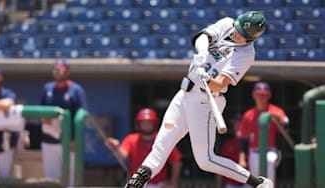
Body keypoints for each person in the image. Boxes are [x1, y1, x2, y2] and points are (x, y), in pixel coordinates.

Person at [124, 10, 273, 188]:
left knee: (206, 160)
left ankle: (258, 183)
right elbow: (202, 36)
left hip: (205, 102)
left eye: (242, 34)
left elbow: (220, 83)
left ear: (251, 38)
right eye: (237, 29)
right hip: (184, 94)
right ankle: (136, 183)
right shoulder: (227, 24)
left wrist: (207, 79)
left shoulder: (246, 54)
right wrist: (202, 53)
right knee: (160, 147)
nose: (236, 34)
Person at [106, 108, 182, 188]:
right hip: (137, 183)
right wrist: (116, 147)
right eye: (144, 123)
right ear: (139, 124)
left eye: (149, 122)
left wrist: (173, 182)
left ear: (154, 123)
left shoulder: (163, 139)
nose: (146, 125)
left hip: (160, 184)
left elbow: (176, 161)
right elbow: (122, 155)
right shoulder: (131, 139)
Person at [40, 59, 88, 184]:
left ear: (67, 72)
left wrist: (75, 139)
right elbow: (41, 111)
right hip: (49, 138)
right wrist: (44, 118)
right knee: (51, 177)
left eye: (61, 70)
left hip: (69, 140)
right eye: (55, 70)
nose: (58, 73)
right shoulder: (47, 88)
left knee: (71, 176)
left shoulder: (76, 90)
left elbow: (82, 114)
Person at [237, 81, 289, 186]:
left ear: (269, 95)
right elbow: (243, 140)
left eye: (263, 95)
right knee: (253, 182)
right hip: (254, 152)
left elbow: (286, 127)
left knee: (268, 180)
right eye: (258, 95)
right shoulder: (249, 115)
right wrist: (242, 158)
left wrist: (279, 120)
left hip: (271, 151)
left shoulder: (276, 111)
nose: (261, 97)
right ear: (253, 95)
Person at [0, 67, 18, 178]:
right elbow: (1, 105)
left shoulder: (7, 93)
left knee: (5, 179)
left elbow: (7, 104)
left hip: (6, 144)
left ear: (1, 79)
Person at [217, 113, 250, 188]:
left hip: (249, 183)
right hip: (231, 184)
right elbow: (220, 168)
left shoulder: (251, 142)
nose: (237, 126)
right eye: (235, 124)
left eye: (239, 124)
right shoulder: (228, 144)